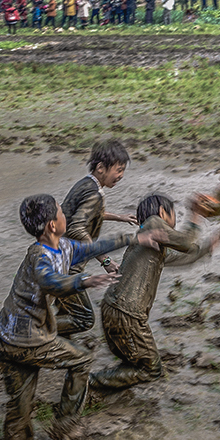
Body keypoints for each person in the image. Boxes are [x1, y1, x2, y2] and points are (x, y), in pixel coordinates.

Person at [0, 195, 164, 440]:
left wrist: (134, 238)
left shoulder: (63, 247)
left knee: (21, 405)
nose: (65, 216)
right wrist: (83, 281)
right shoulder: (40, 256)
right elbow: (50, 281)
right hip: (26, 339)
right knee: (81, 360)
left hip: (5, 337)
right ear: (52, 224)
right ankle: (66, 425)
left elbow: (93, 247)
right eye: (61, 212)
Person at [91, 195, 220, 390]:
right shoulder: (153, 223)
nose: (174, 221)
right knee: (151, 369)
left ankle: (98, 394)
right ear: (162, 213)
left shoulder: (151, 245)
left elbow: (187, 257)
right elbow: (185, 242)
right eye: (173, 214)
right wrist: (195, 215)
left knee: (134, 362)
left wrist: (213, 242)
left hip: (115, 309)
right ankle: (87, 384)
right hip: (127, 313)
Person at [55, 140, 138, 336]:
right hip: (68, 268)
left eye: (123, 170)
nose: (121, 175)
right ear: (101, 168)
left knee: (65, 312)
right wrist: (105, 260)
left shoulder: (86, 185)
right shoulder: (94, 194)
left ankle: (58, 345)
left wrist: (120, 217)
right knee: (83, 319)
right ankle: (31, 332)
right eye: (118, 170)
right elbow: (76, 227)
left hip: (56, 259)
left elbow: (89, 212)